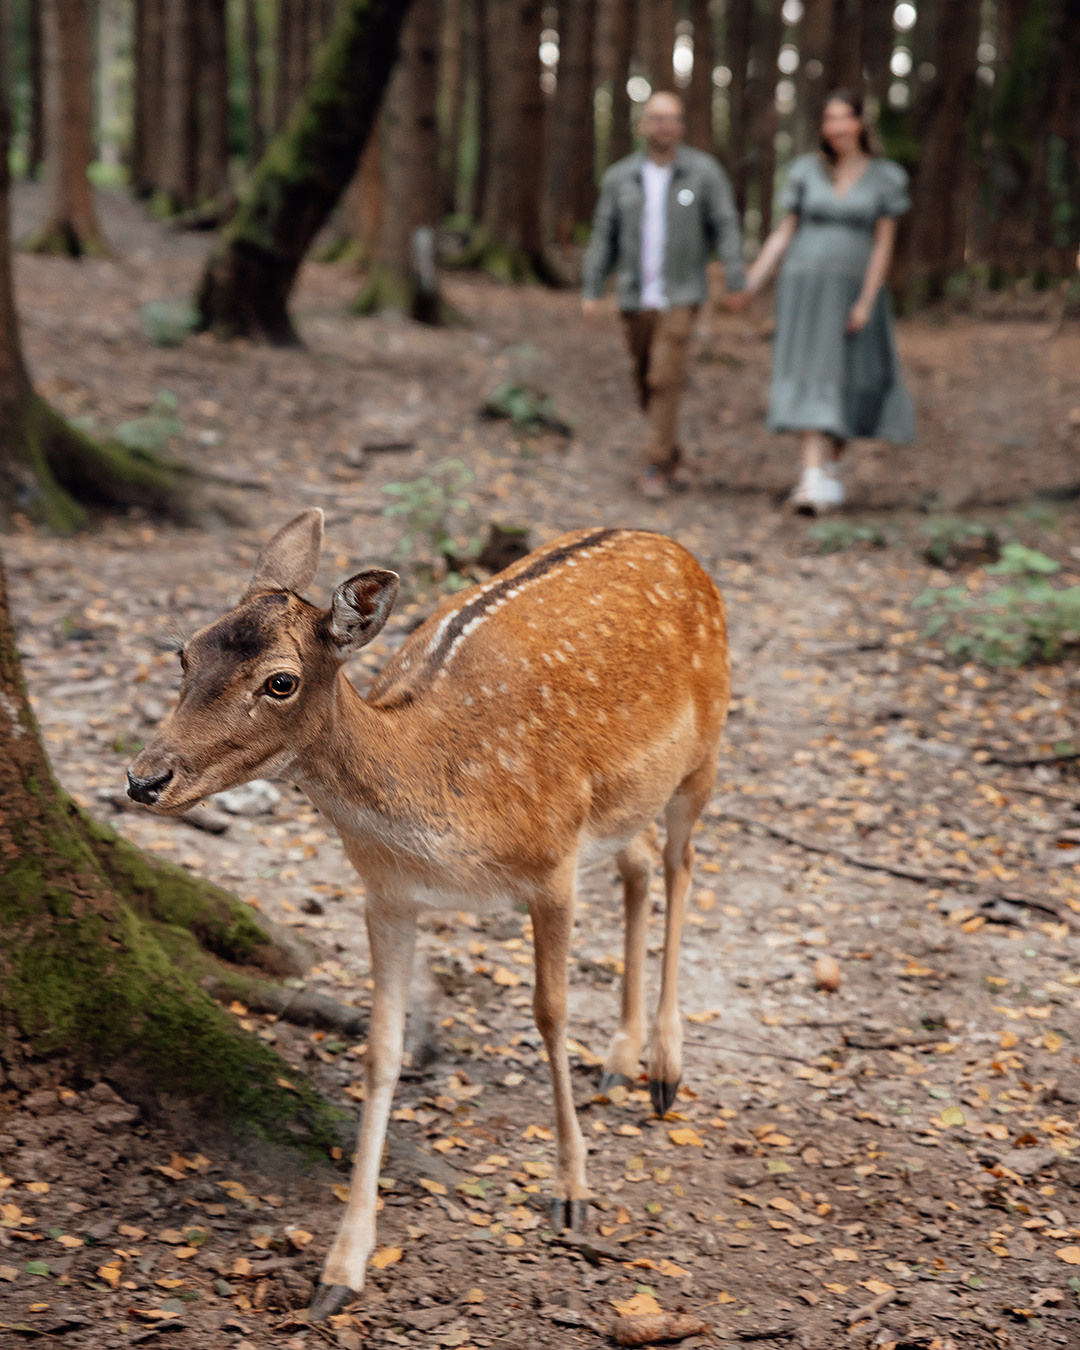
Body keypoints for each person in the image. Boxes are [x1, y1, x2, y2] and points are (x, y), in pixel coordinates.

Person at [728, 90, 914, 514]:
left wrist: (867, 300)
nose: (835, 129)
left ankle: (829, 470)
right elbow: (783, 232)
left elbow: (884, 245)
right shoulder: (806, 171)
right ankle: (810, 477)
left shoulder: (886, 177)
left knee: (847, 378)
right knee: (808, 372)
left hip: (852, 289)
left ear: (861, 123)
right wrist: (753, 280)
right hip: (803, 289)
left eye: (844, 118)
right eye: (829, 120)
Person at [582, 91, 745, 500]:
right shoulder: (622, 177)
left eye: (672, 118)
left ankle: (654, 464)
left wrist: (735, 276)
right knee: (643, 377)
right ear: (643, 124)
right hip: (635, 296)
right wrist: (592, 287)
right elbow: (604, 236)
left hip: (682, 292)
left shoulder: (703, 173)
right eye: (657, 118)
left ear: (681, 126)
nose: (664, 126)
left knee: (664, 377)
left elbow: (725, 224)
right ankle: (670, 450)